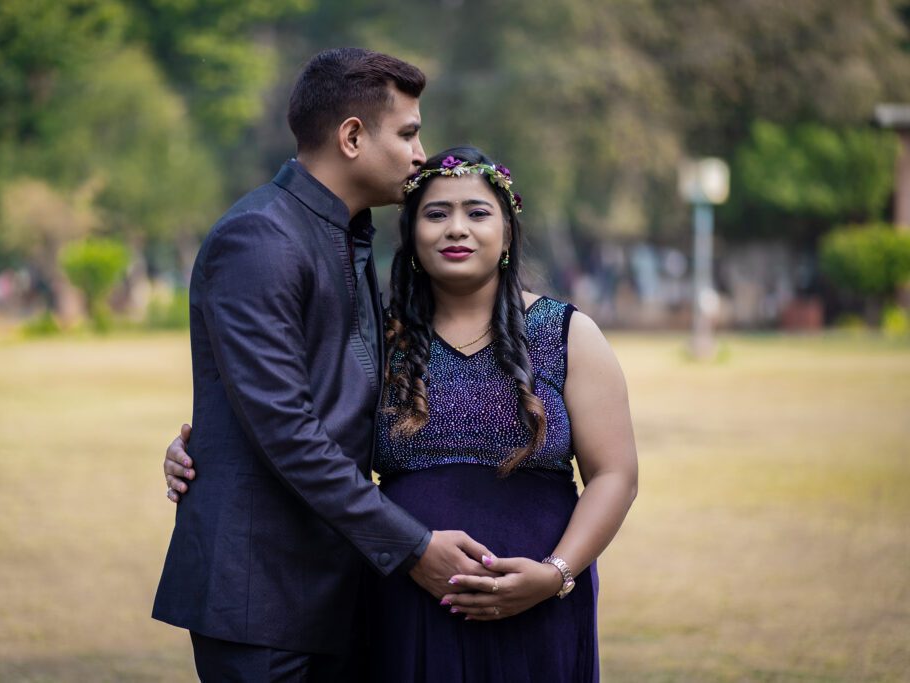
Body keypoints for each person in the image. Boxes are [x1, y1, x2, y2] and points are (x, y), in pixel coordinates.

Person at [165, 146, 639, 681]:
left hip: (538, 600)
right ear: (412, 236)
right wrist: (196, 448)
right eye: (436, 214)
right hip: (404, 596)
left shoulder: (568, 333)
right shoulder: (376, 339)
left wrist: (555, 574)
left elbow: (615, 474)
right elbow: (291, 423)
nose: (456, 228)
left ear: (507, 233)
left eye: (477, 213)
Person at [152, 50, 499, 683]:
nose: (421, 154)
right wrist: (413, 547)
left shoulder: (345, 235)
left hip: (337, 586)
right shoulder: (260, 238)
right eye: (408, 133)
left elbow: (347, 397)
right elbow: (286, 429)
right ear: (352, 137)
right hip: (262, 597)